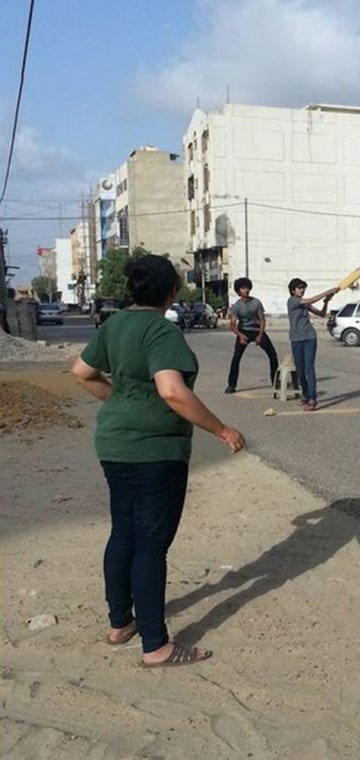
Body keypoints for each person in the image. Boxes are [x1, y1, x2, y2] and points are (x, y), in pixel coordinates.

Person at [71, 254, 245, 668]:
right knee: (150, 544)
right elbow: (171, 391)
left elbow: (81, 371)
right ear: (171, 292)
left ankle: (120, 624)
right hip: (155, 452)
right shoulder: (161, 330)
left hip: (114, 445)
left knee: (123, 533)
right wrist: (222, 430)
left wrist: (125, 403)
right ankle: (156, 646)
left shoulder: (114, 324)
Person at [287, 278, 339, 411]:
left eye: (303, 288)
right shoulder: (292, 301)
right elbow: (311, 300)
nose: (302, 290)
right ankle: (306, 394)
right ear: (293, 290)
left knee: (309, 368)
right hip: (296, 339)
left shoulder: (305, 304)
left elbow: (321, 314)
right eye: (299, 288)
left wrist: (326, 301)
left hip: (309, 337)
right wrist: (328, 291)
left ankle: (312, 398)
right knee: (300, 370)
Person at [225, 277, 279, 394]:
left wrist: (260, 335)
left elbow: (262, 320)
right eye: (243, 288)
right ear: (239, 291)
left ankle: (275, 381)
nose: (246, 290)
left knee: (272, 355)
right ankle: (231, 384)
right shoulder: (236, 306)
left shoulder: (256, 303)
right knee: (236, 358)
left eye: (247, 287)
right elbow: (232, 325)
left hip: (256, 330)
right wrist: (240, 335)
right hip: (243, 331)